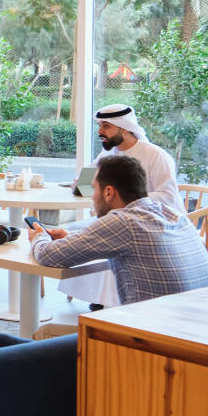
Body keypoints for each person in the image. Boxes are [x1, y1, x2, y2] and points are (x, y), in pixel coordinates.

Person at [29, 154, 208, 305]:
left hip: (153, 335)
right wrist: (71, 237)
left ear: (109, 192)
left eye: (94, 189)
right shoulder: (172, 214)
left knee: (43, 335)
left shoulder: (124, 221)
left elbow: (48, 255)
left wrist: (39, 236)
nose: (92, 197)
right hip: (198, 333)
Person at [59, 103, 181, 307]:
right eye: (99, 126)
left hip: (156, 222)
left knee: (111, 236)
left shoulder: (155, 155)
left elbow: (168, 197)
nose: (100, 131)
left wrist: (126, 200)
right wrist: (85, 186)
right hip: (118, 220)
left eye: (106, 126)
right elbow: (82, 184)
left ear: (124, 128)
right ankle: (97, 298)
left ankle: (109, 303)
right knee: (76, 229)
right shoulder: (108, 155)